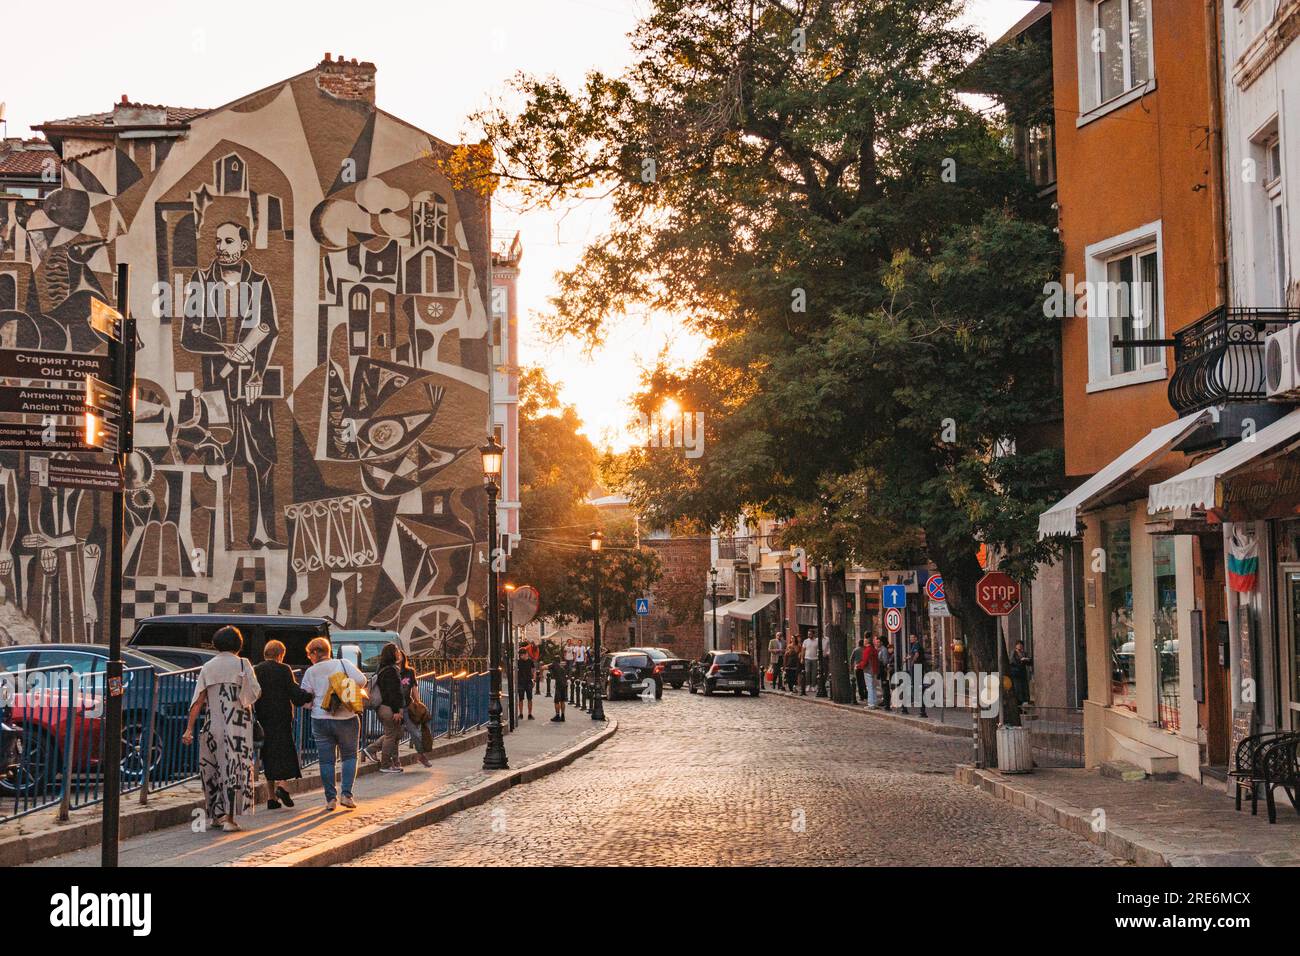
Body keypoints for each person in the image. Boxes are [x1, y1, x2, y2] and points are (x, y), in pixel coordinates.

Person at [181, 625, 261, 832]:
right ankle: (230, 819)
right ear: (238, 644)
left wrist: (189, 729)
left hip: (212, 724)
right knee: (235, 769)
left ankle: (215, 816)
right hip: (238, 726)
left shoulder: (208, 666)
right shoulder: (243, 664)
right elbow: (255, 692)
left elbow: (197, 701)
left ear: (216, 644)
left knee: (211, 769)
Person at [298, 637, 366, 810]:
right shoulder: (342, 664)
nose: (309, 658)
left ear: (315, 653)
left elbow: (305, 699)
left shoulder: (311, 672)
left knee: (326, 761)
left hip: (320, 719)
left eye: (309, 654)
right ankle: (346, 795)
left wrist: (315, 702)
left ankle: (330, 799)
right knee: (349, 756)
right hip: (347, 717)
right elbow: (362, 680)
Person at [253, 639, 314, 810]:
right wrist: (309, 695)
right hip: (281, 717)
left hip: (263, 717)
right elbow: (294, 693)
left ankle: (271, 798)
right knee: (285, 753)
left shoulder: (257, 670)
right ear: (280, 655)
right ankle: (282, 786)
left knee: (268, 755)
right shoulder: (283, 669)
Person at [361, 643, 407, 772]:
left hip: (383, 707)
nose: (399, 653)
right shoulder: (391, 671)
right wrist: (397, 710)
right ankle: (385, 764)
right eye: (397, 651)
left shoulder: (381, 668)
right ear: (392, 654)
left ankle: (371, 750)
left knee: (396, 733)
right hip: (389, 708)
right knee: (391, 735)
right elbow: (393, 692)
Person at [397, 648, 433, 768]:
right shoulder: (392, 671)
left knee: (416, 732)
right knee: (395, 734)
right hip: (395, 707)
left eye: (399, 655)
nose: (397, 657)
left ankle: (421, 755)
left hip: (407, 706)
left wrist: (418, 702)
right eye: (395, 655)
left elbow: (414, 688)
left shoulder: (409, 672)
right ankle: (374, 750)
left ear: (403, 657)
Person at [901, 633, 928, 717]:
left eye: (912, 638)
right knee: (914, 686)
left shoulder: (916, 645)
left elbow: (916, 654)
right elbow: (912, 654)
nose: (910, 639)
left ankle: (919, 709)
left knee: (916, 686)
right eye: (910, 638)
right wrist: (907, 658)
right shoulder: (914, 645)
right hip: (917, 667)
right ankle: (909, 706)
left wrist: (912, 662)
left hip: (917, 667)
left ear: (916, 638)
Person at [1010, 640, 1033, 706]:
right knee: (1018, 689)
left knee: (1024, 689)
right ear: (1016, 646)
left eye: (1021, 644)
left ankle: (1023, 705)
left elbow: (1030, 662)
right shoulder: (1013, 653)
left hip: (1023, 673)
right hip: (1016, 674)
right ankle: (1018, 705)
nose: (1020, 645)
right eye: (1018, 644)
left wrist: (1027, 660)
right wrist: (1020, 660)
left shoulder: (1024, 653)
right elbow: (1012, 662)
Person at [516, 646, 536, 720]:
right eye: (520, 655)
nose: (521, 656)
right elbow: (515, 671)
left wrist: (534, 680)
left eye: (522, 655)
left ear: (525, 654)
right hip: (520, 682)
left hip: (528, 682)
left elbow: (533, 670)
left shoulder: (530, 661)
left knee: (529, 698)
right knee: (520, 698)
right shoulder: (518, 662)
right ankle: (520, 714)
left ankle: (530, 714)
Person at [860, 633, 879, 708]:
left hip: (868, 670)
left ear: (867, 641)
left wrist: (858, 666)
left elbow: (865, 661)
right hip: (874, 670)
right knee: (873, 687)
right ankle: (874, 702)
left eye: (865, 640)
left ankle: (871, 703)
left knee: (870, 687)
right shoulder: (874, 649)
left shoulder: (867, 650)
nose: (864, 642)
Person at [875, 635, 893, 711]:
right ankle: (885, 701)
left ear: (881, 642)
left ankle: (887, 704)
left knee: (885, 687)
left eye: (878, 642)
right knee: (883, 687)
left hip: (884, 670)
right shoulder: (881, 650)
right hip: (881, 670)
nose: (877, 643)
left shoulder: (884, 650)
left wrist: (882, 666)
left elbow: (885, 661)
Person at [800, 630, 818, 696]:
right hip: (807, 658)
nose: (809, 635)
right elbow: (803, 650)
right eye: (808, 634)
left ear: (813, 634)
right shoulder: (806, 641)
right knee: (807, 672)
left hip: (815, 658)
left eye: (810, 634)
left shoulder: (816, 641)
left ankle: (813, 685)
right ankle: (808, 685)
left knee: (814, 673)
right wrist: (802, 658)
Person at [850, 638, 866, 702]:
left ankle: (861, 696)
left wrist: (851, 666)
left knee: (859, 682)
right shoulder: (865, 649)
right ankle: (866, 694)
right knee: (864, 682)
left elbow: (851, 658)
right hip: (865, 667)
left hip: (858, 667)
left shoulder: (855, 650)